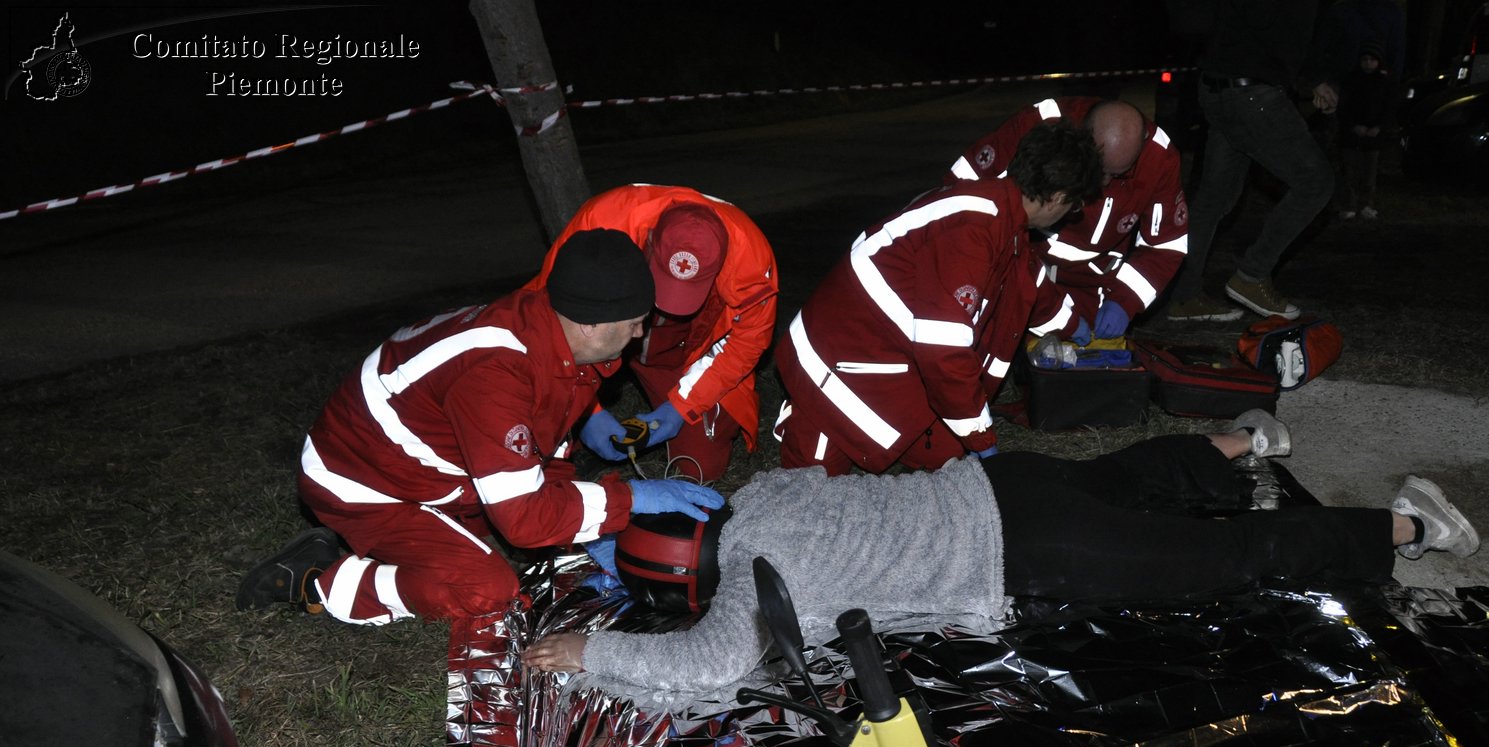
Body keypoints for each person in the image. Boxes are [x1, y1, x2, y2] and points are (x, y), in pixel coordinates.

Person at [524, 410, 1481, 695]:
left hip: (1025, 551)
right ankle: (1241, 443)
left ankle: (1403, 525)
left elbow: (707, 662)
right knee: (1119, 470)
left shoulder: (756, 585)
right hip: (998, 482)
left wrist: (588, 652)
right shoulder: (765, 493)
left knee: (1225, 561)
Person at [236, 229, 724, 625]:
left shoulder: (558, 345)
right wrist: (630, 501)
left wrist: (594, 530)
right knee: (485, 589)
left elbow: (544, 455)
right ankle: (317, 580)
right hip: (362, 482)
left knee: (535, 538)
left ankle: (418, 538)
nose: (641, 333)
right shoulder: (497, 371)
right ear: (593, 321)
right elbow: (524, 518)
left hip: (432, 469)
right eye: (636, 321)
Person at [773, 122, 1102, 475]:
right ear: (1056, 197)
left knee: (943, 457)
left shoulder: (1003, 216)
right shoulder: (973, 228)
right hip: (839, 353)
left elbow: (1027, 285)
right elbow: (943, 352)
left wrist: (1075, 326)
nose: (1072, 214)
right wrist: (980, 436)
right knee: (813, 481)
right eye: (1075, 204)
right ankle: (806, 412)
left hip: (888, 348)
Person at [525, 185, 778, 482]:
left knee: (701, 466)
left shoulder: (751, 261)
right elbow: (550, 318)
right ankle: (571, 440)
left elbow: (747, 342)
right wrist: (586, 411)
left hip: (680, 347)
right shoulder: (604, 222)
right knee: (535, 405)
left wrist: (681, 407)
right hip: (598, 330)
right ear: (650, 238)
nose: (670, 304)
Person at [947, 97, 1189, 342]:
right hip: (1023, 259)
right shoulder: (1044, 126)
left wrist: (1125, 300)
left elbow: (1166, 246)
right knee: (994, 341)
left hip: (1091, 283)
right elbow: (965, 186)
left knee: (1082, 359)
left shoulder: (1159, 160)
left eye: (1117, 175)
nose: (1103, 182)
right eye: (1097, 168)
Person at [1165, 0, 1341, 324]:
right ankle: (1252, 274)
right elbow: (1287, 30)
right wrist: (1315, 78)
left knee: (1213, 200)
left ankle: (1184, 295)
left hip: (1218, 87)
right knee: (1315, 182)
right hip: (1251, 95)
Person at [1337, 42, 1395, 220]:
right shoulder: (1351, 80)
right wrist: (1354, 126)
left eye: (1372, 60)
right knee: (1350, 172)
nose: (1368, 63)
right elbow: (1344, 107)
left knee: (1369, 174)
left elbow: (1388, 108)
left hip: (1373, 136)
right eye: (1365, 60)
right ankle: (1350, 206)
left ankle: (1367, 205)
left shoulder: (1384, 83)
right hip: (1351, 134)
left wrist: (1378, 128)